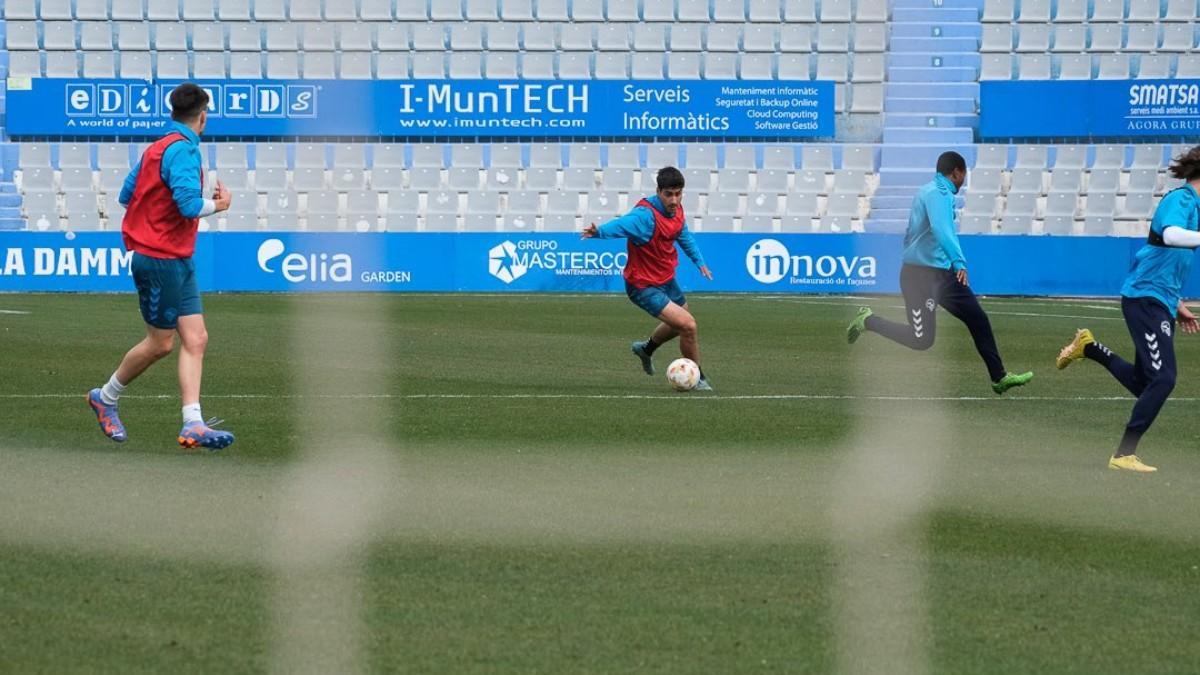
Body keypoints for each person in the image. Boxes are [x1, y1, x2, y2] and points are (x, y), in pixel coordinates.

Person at [87, 83, 235, 450]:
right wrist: (219, 205)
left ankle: (193, 423)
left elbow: (125, 196)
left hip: (177, 257)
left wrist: (157, 209)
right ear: (203, 117)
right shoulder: (183, 151)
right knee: (160, 344)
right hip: (160, 259)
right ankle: (105, 397)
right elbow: (187, 206)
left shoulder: (156, 148)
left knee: (196, 338)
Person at [1056, 146, 1200, 472]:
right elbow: (1172, 236)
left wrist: (1176, 303)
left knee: (1144, 382)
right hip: (1144, 300)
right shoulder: (1182, 200)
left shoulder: (1196, 208)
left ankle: (1089, 348)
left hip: (1158, 300)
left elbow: (1167, 257)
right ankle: (1123, 454)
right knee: (1164, 378)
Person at [846, 151, 1034, 395]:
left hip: (941, 275)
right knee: (921, 340)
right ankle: (868, 321)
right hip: (920, 278)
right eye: (963, 175)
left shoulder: (929, 191)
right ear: (956, 172)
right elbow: (941, 229)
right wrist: (959, 261)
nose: (963, 180)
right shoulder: (938, 194)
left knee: (978, 318)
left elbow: (915, 233)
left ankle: (999, 377)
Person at [583, 166, 714, 390]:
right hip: (643, 285)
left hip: (666, 278)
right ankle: (698, 377)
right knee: (689, 326)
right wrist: (600, 232)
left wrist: (699, 262)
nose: (674, 200)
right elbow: (622, 224)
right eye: (668, 194)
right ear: (658, 191)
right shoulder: (645, 216)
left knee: (679, 322)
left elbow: (684, 236)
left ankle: (646, 349)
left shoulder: (677, 210)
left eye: (678, 193)